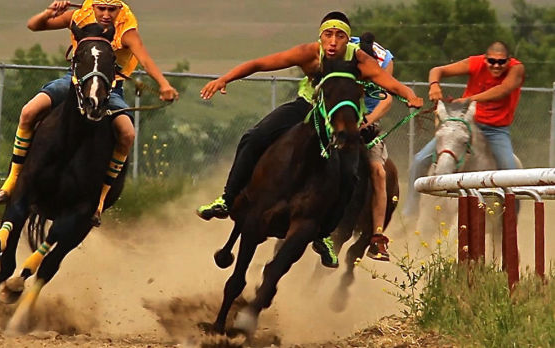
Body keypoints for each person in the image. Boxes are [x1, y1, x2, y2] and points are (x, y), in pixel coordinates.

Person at [195, 11, 423, 268]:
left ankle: (325, 233)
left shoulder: (358, 58)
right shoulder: (309, 53)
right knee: (254, 136)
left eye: (340, 36)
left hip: (339, 121)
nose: (333, 42)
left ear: (348, 40)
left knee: (350, 174)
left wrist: (410, 95)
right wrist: (225, 78)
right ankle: (227, 199)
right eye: (328, 35)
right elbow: (261, 64)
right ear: (321, 37)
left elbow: (388, 82)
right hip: (306, 108)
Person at [0, 0, 179, 226]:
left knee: (127, 134)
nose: (107, 14)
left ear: (120, 9)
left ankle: (100, 199)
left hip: (110, 89)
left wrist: (163, 84)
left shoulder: (126, 29)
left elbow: (145, 60)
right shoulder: (78, 16)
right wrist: (49, 12)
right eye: (102, 9)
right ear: (93, 7)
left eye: (112, 9)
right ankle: (12, 181)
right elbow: (34, 25)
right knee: (29, 111)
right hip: (74, 82)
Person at [403, 41, 525, 218]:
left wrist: (470, 99)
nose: (496, 66)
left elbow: (503, 90)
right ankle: (410, 213)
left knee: (511, 173)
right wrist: (434, 84)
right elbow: (437, 70)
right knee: (420, 160)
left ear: (509, 60)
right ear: (485, 59)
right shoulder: (475, 63)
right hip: (465, 124)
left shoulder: (517, 69)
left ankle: (509, 221)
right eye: (492, 61)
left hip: (496, 131)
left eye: (501, 62)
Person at [352, 32, 395, 262]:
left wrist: (367, 121)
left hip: (368, 118)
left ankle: (377, 236)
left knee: (379, 171)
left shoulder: (385, 61)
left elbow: (386, 98)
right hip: (336, 112)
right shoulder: (342, 47)